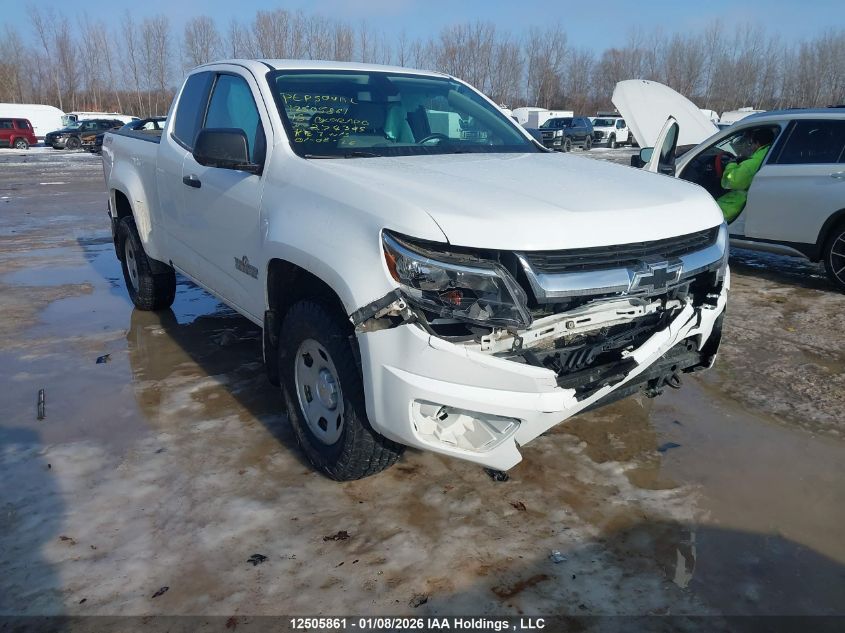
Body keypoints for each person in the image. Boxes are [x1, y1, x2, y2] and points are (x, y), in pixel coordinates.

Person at [716, 127, 776, 223]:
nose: (751, 147)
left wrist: (731, 164)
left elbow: (732, 181)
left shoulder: (754, 162)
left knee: (709, 213)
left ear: (757, 143)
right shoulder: (767, 153)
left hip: (739, 204)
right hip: (755, 201)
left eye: (751, 143)